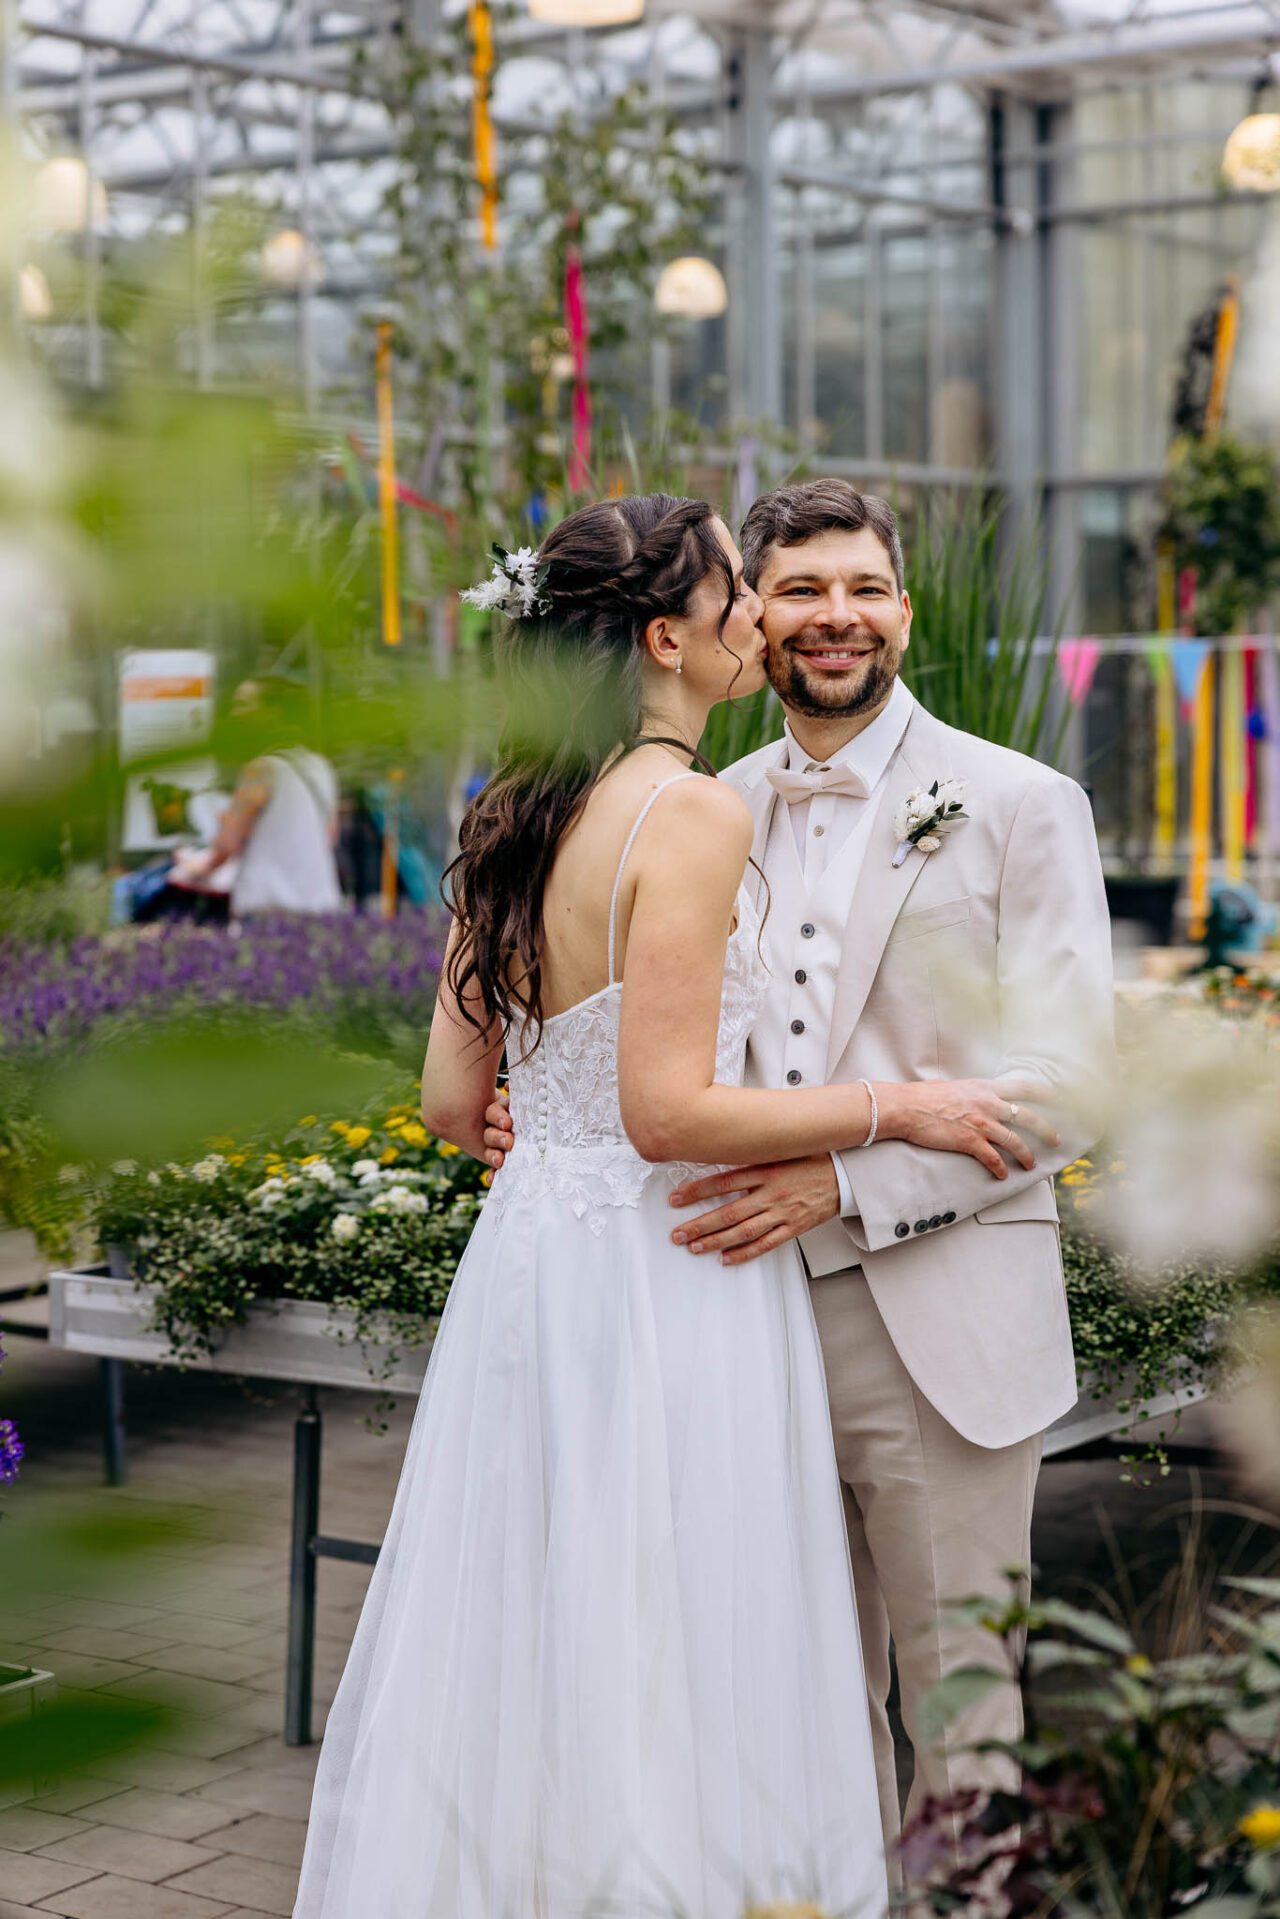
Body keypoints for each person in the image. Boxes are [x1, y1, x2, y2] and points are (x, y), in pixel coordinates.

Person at [294, 496, 1057, 1919]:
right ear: (670, 635)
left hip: (537, 1267)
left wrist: (550, 1110)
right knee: (693, 1631)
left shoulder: (509, 809)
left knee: (556, 1621)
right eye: (743, 592)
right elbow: (667, 1112)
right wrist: (911, 1107)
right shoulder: (695, 805)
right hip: (672, 1257)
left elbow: (452, 1101)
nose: (766, 620)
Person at [641, 480, 1113, 1857]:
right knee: (785, 1705)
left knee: (964, 1719)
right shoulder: (698, 811)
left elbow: (1076, 1083)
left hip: (945, 1323)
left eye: (861, 587)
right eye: (798, 589)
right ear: (750, 617)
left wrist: (844, 1182)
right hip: (735, 1313)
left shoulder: (1025, 802)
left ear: (901, 609)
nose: (834, 615)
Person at [179, 678, 343, 916]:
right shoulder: (319, 767)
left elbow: (228, 842)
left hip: (267, 909)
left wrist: (192, 865)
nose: (235, 713)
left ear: (272, 714)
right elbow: (329, 836)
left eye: (244, 705)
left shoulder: (262, 769)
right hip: (319, 906)